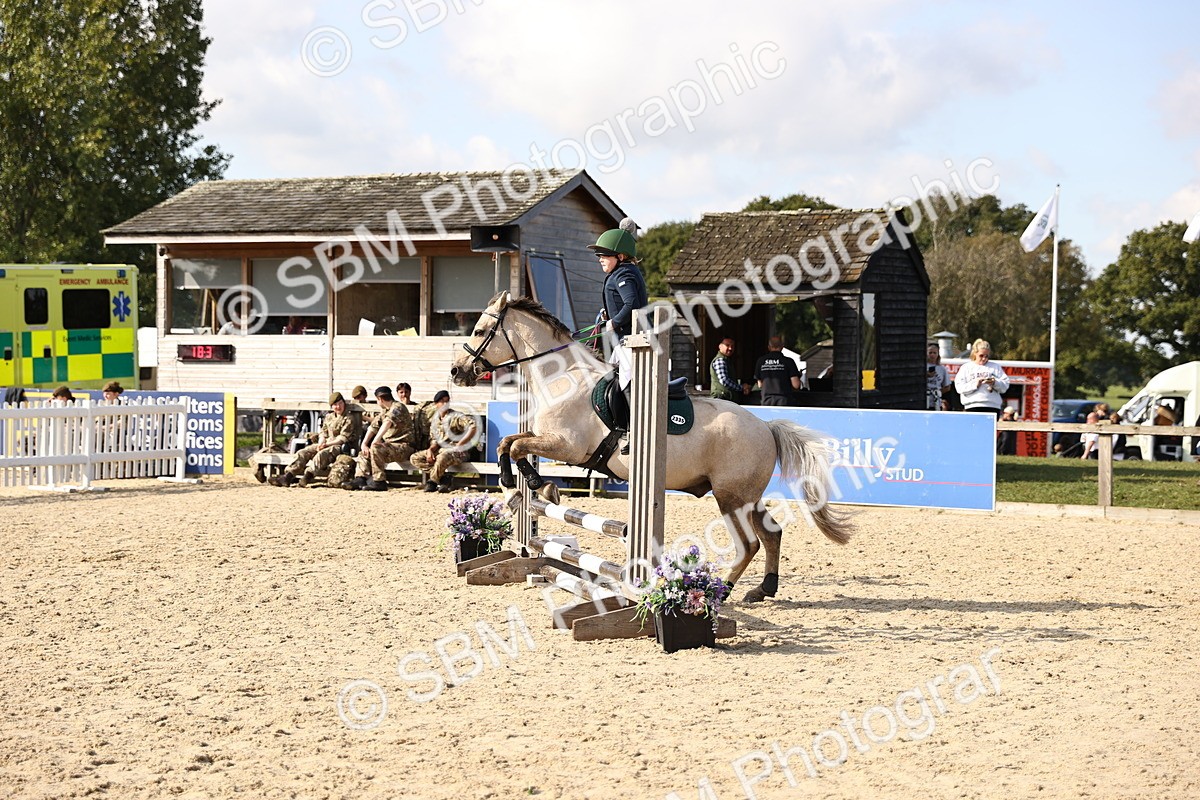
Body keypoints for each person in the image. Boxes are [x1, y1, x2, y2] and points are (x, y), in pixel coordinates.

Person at [270, 392, 356, 487]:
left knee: (321, 454)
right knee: (303, 452)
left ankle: (307, 477)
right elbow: (323, 432)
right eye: (335, 405)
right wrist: (321, 442)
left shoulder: (348, 418)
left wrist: (326, 445)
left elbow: (342, 438)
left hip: (338, 447)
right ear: (332, 406)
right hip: (326, 443)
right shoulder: (329, 417)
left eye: (340, 403)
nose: (338, 407)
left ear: (344, 403)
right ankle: (288, 476)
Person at [346, 386, 415, 491]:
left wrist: (375, 442)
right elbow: (374, 426)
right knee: (365, 451)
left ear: (380, 399)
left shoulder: (398, 407)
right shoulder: (385, 410)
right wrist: (364, 444)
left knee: (375, 449)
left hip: (404, 447)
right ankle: (360, 478)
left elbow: (388, 422)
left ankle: (379, 482)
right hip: (391, 447)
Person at [410, 390, 477, 493]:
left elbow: (473, 427)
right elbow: (435, 441)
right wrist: (430, 450)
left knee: (442, 456)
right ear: (436, 404)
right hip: (442, 450)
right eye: (442, 401)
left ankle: (432, 482)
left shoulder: (455, 416)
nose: (445, 404)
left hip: (458, 452)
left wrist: (460, 444)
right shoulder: (435, 421)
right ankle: (444, 478)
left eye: (447, 401)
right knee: (415, 458)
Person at [953, 339, 1010, 415]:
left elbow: (1005, 386)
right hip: (972, 406)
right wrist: (975, 385)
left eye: (986, 356)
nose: (984, 359)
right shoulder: (966, 367)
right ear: (975, 353)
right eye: (981, 355)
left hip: (992, 406)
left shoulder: (995, 367)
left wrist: (994, 382)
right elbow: (959, 388)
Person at [754, 336, 801, 406]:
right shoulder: (788, 361)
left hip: (766, 401)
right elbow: (796, 385)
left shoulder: (761, 361)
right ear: (782, 347)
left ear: (769, 347)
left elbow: (760, 385)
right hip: (784, 401)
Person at [710, 338, 750, 402]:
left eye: (732, 346)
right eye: (727, 345)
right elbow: (724, 381)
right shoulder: (720, 360)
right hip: (721, 399)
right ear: (720, 346)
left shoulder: (727, 360)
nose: (730, 348)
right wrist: (741, 387)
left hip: (726, 399)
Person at [926, 343, 952, 411]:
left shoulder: (942, 369)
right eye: (930, 353)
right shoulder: (923, 366)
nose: (932, 355)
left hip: (936, 401)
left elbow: (947, 387)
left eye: (934, 353)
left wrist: (938, 392)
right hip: (924, 399)